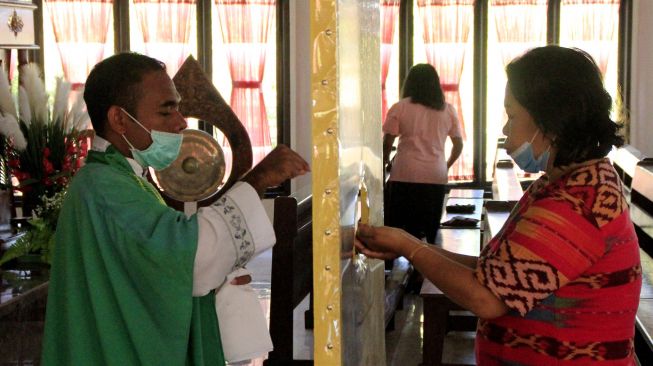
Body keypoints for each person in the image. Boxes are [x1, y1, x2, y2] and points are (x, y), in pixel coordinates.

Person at [357, 46, 641, 365]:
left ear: (552, 122)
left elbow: (487, 298)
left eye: (512, 115)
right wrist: (408, 244)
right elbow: (497, 273)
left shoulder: (578, 201)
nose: (506, 129)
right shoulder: (568, 183)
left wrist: (410, 247)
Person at [41, 53, 310, 365]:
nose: (181, 122)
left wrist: (220, 281)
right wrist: (259, 179)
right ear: (120, 119)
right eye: (166, 110)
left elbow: (156, 271)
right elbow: (192, 258)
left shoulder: (123, 178)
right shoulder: (104, 188)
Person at [383, 63, 463, 245]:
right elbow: (458, 145)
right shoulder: (447, 109)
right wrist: (446, 165)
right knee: (430, 228)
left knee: (398, 226)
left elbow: (387, 143)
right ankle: (424, 269)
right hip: (435, 175)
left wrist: (387, 161)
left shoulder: (400, 107)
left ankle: (394, 267)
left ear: (409, 83)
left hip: (405, 173)